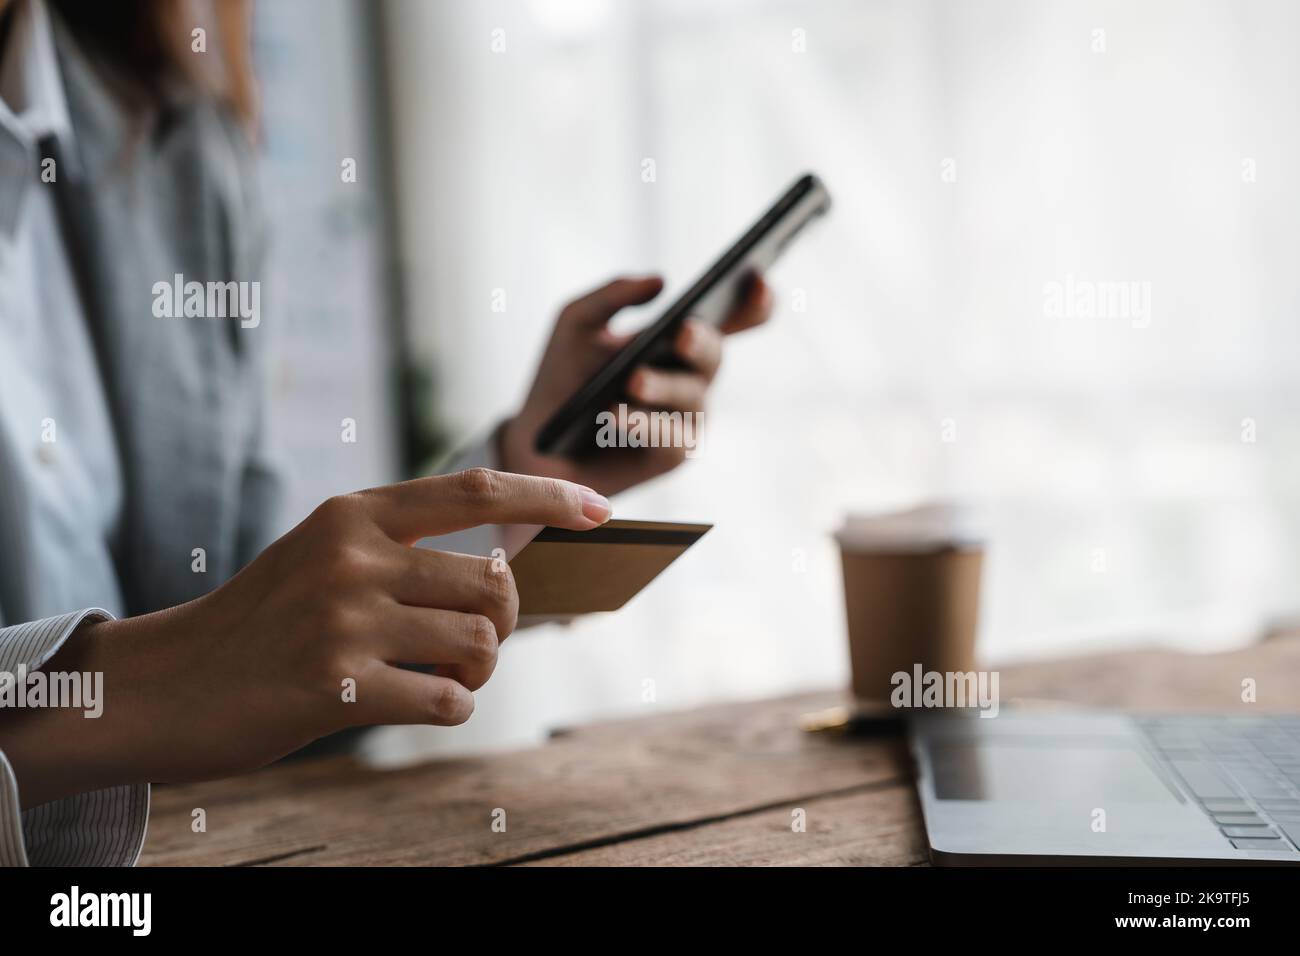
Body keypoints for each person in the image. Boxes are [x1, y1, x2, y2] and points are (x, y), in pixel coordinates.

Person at [0, 0, 772, 865]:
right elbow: (202, 670)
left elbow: (246, 662)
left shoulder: (178, 145)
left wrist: (523, 475)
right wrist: (144, 693)